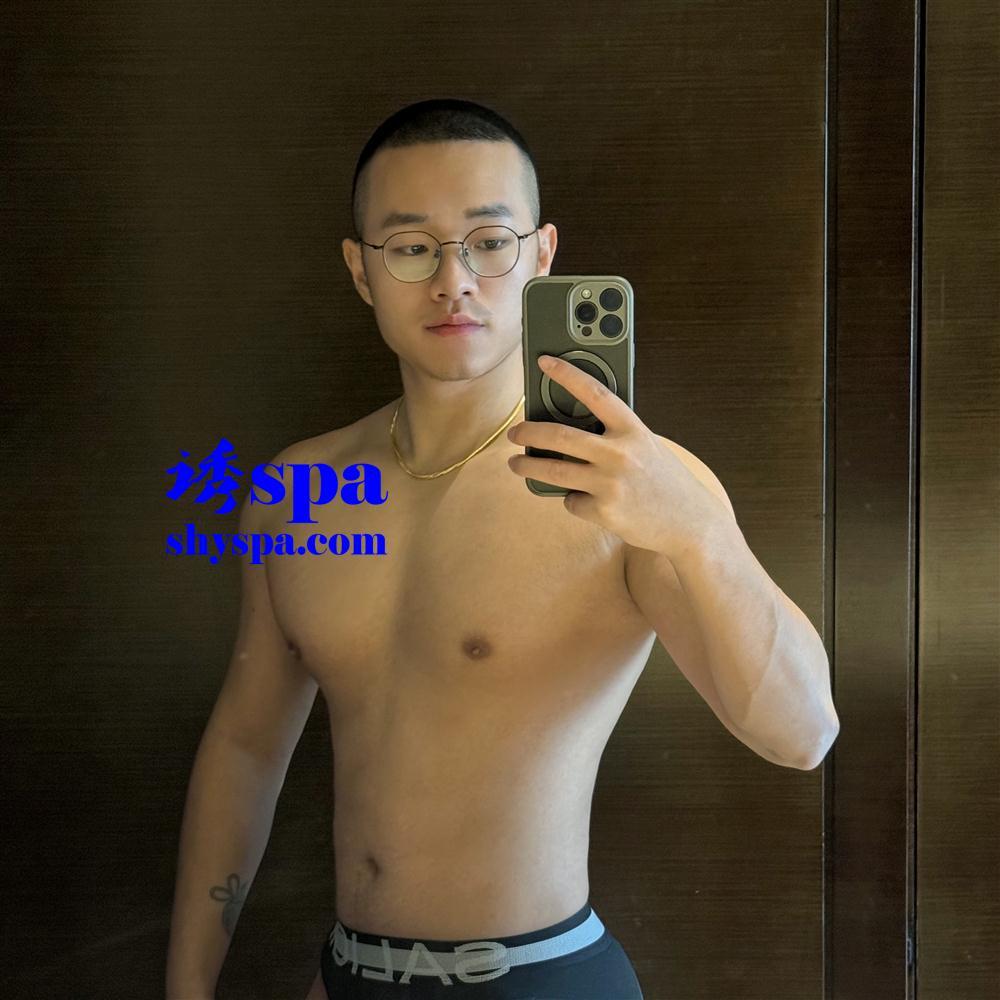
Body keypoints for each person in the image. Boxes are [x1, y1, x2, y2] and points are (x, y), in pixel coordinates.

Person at [166, 97, 835, 1000]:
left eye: (489, 242)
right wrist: (186, 988)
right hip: (346, 974)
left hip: (541, 977)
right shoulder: (298, 490)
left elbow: (803, 736)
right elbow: (246, 748)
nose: (454, 281)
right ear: (361, 270)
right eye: (411, 247)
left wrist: (698, 531)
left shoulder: (631, 483)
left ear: (542, 256)